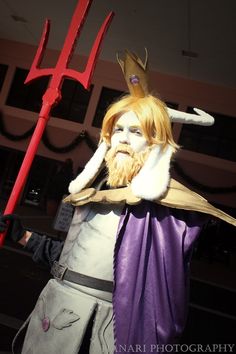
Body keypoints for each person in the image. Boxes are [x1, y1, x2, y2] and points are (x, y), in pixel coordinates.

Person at [1, 51, 236, 354]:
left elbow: (157, 290)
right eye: (118, 130)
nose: (123, 138)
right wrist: (25, 237)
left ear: (156, 143)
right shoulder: (97, 189)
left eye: (136, 131)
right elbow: (73, 257)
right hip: (52, 314)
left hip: (100, 332)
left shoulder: (166, 212)